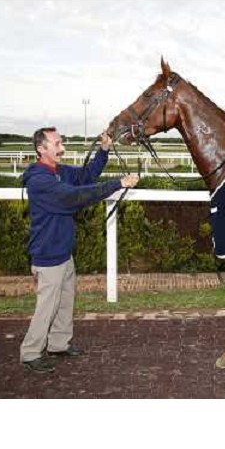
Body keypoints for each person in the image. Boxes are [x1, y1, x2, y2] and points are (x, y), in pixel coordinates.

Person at [20, 126, 138, 374]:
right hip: (48, 256)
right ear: (41, 149)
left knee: (65, 302)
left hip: (63, 253)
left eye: (60, 141)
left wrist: (103, 150)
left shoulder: (58, 172)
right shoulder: (41, 181)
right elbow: (76, 197)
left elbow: (86, 176)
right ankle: (31, 353)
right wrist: (118, 183)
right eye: (56, 143)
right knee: (47, 307)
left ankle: (58, 344)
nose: (61, 145)